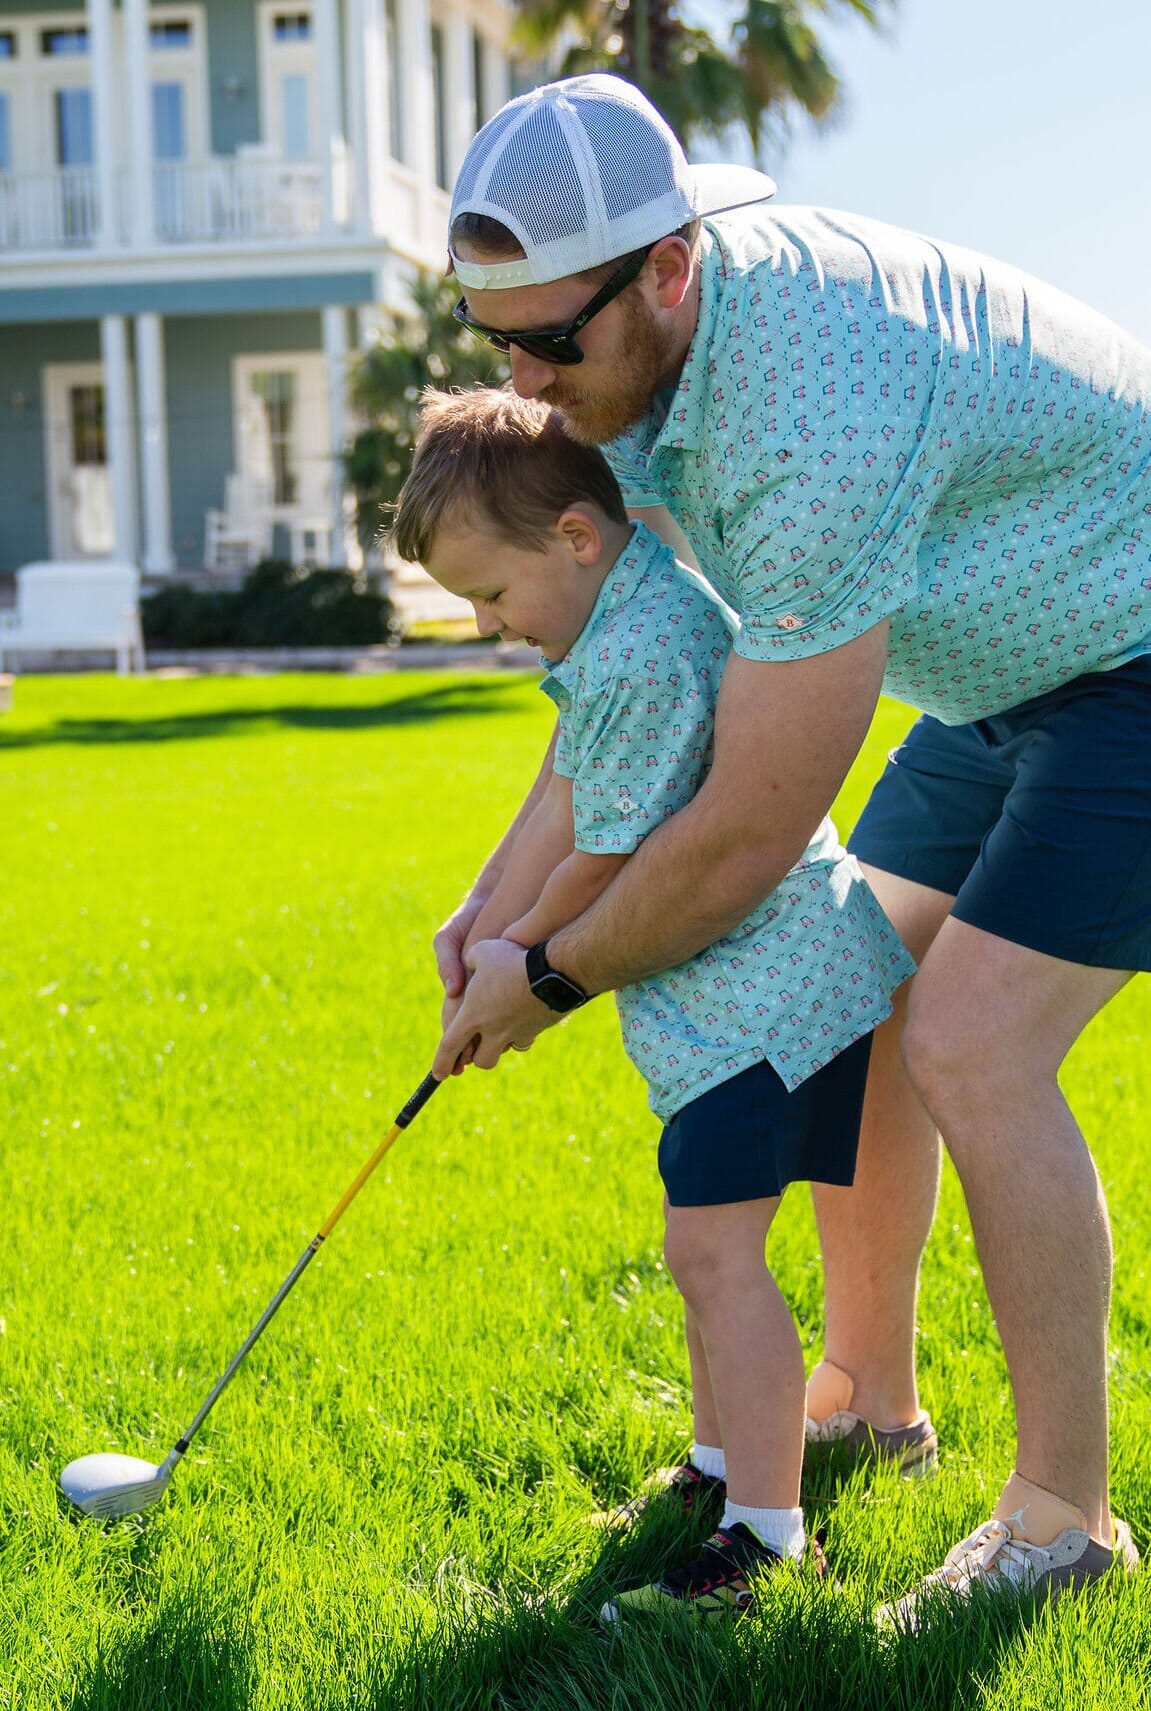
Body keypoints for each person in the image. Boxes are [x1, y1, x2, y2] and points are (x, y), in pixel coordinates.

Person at [430, 73, 1149, 1622]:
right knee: (857, 980)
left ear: (670, 269)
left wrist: (545, 974)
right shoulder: (635, 360)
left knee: (971, 1040)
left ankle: (1061, 1521)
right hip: (998, 674)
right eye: (495, 338)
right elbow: (613, 682)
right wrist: (491, 899)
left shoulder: (806, 402)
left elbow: (749, 825)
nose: (525, 379)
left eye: (551, 341)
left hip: (1134, 649)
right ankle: (865, 1398)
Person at [392, 385, 914, 1619]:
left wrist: (519, 962)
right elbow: (563, 783)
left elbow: (610, 856)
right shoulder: (609, 623)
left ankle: (768, 1540)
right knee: (702, 1246)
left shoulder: (636, 647)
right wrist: (479, 922)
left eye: (492, 595)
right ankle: (721, 1469)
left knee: (711, 1253)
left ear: (575, 535)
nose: (484, 622)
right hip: (732, 1000)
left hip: (768, 1002)